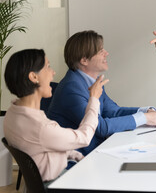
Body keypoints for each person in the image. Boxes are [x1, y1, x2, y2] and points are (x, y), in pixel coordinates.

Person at [48, 30, 156, 156]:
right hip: (76, 161)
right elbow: (100, 128)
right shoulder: (71, 88)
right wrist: (144, 118)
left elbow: (113, 112)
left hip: (94, 151)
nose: (106, 53)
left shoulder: (93, 82)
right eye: (100, 51)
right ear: (84, 60)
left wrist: (145, 111)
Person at [3, 49, 108, 182]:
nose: (53, 72)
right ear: (34, 77)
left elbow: (45, 144)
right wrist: (94, 99)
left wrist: (77, 156)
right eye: (47, 67)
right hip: (57, 184)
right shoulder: (41, 127)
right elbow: (84, 138)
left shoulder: (13, 113)